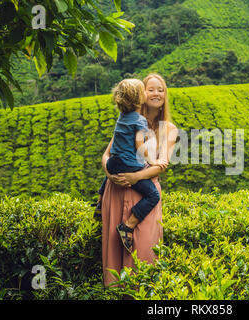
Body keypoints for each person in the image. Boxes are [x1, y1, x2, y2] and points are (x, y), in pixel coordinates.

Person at [100, 73, 178, 287]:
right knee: (115, 256)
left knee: (144, 253)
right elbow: (107, 155)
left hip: (142, 192)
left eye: (160, 90)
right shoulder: (129, 119)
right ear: (141, 94)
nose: (156, 94)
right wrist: (110, 175)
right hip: (117, 190)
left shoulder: (169, 130)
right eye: (151, 89)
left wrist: (134, 177)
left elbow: (161, 163)